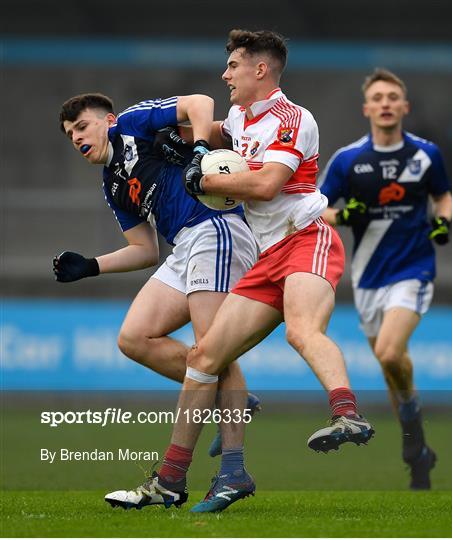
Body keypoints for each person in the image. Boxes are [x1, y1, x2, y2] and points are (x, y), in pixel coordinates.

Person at [137, 29, 374, 514]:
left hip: (307, 238)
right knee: (204, 358)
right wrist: (167, 136)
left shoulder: (293, 117)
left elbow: (266, 185)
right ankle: (193, 476)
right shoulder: (243, 117)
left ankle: (346, 415)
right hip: (267, 256)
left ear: (259, 70)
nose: (225, 75)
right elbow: (213, 128)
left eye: (233, 66)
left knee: (302, 331)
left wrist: (204, 176)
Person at [55, 92, 260, 509]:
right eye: (69, 135)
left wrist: (200, 146)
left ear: (108, 120)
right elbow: (144, 250)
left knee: (211, 352)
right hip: (183, 245)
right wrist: (92, 266)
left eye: (82, 127)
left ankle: (230, 471)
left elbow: (200, 102)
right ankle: (230, 397)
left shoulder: (132, 123)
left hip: (213, 227)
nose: (76, 138)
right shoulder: (112, 183)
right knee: (134, 338)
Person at [318, 68, 452, 490]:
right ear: (367, 109)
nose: (386, 103)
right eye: (378, 98)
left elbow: (442, 196)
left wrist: (442, 223)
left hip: (413, 269)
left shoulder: (426, 155)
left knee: (393, 355)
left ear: (404, 106)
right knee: (391, 368)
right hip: (369, 278)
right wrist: (344, 216)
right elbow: (314, 209)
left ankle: (413, 442)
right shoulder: (348, 159)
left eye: (393, 97)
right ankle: (418, 450)